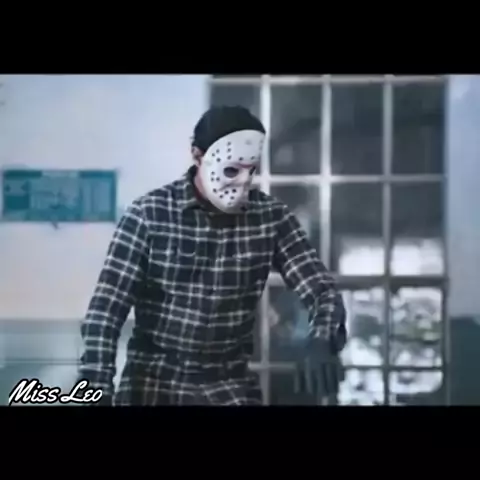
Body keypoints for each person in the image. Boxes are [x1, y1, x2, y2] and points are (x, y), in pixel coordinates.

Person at [78, 105, 347, 406]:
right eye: (232, 170)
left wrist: (322, 339)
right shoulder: (148, 215)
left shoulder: (270, 218)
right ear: (197, 156)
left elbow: (322, 290)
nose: (243, 182)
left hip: (229, 386)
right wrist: (95, 388)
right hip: (151, 385)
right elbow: (106, 310)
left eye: (251, 171)